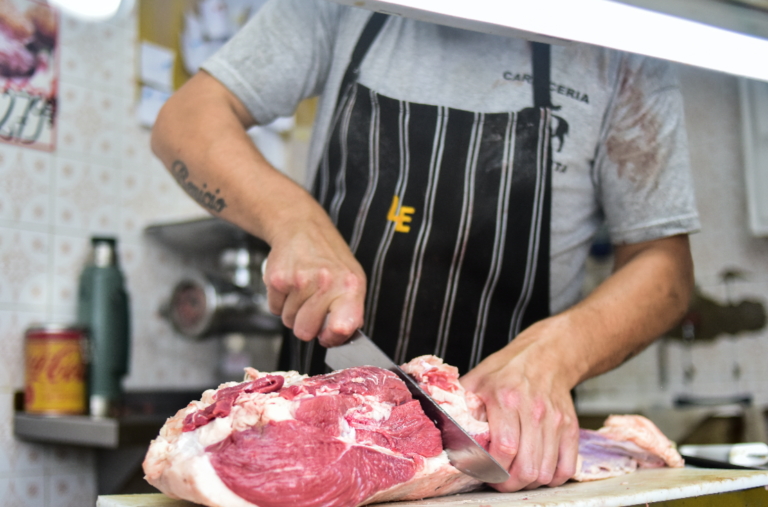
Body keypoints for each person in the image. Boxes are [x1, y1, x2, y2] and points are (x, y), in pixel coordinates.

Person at [151, 0, 699, 493]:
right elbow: (186, 121)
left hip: (508, 458)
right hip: (320, 455)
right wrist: (294, 222)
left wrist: (559, 351)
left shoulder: (621, 43)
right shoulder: (346, 7)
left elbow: (665, 269)